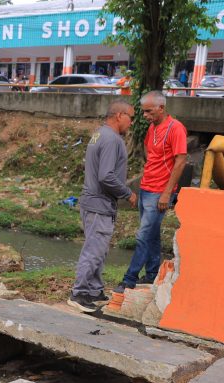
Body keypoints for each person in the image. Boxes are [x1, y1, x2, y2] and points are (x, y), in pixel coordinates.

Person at [68, 100, 138, 313]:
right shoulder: (111, 139)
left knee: (98, 249)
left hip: (94, 202)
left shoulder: (99, 134)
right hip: (99, 204)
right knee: (94, 250)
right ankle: (79, 293)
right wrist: (128, 193)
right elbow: (106, 176)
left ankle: (94, 290)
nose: (132, 123)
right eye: (131, 118)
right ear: (119, 115)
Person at [116, 91, 188, 293]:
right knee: (152, 235)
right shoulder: (152, 128)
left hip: (160, 192)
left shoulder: (176, 129)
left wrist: (167, 193)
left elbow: (181, 161)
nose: (145, 115)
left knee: (143, 236)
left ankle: (128, 279)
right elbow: (150, 152)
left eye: (149, 111)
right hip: (146, 188)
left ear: (161, 108)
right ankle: (151, 275)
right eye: (143, 112)